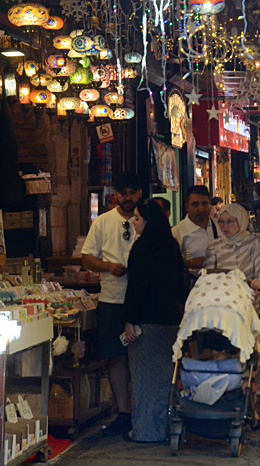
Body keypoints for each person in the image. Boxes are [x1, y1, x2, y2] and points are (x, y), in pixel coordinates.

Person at [81, 172, 141, 436]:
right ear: (115, 194)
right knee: (116, 357)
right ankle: (124, 412)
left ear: (139, 193)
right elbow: (87, 258)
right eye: (123, 192)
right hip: (111, 299)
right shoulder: (103, 222)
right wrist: (107, 266)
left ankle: (144, 409)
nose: (127, 198)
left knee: (141, 356)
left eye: (132, 192)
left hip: (142, 301)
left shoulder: (147, 221)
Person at [123, 200, 188, 442]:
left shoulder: (143, 248)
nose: (135, 222)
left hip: (147, 323)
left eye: (138, 218)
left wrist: (129, 320)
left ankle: (146, 431)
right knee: (165, 378)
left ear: (149, 222)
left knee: (144, 379)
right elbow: (182, 284)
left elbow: (137, 288)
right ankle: (168, 429)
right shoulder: (170, 245)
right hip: (170, 321)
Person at [205, 203, 260, 397]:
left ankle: (259, 397)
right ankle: (226, 394)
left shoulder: (255, 243)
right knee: (222, 352)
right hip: (222, 309)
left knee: (258, 352)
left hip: (250, 307)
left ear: (240, 221)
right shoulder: (214, 246)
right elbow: (207, 275)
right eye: (221, 222)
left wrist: (259, 282)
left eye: (230, 222)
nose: (225, 226)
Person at [172, 185, 219, 278]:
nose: (200, 209)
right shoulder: (177, 232)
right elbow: (171, 264)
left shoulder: (220, 226)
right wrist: (192, 263)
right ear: (187, 207)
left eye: (204, 204)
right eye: (195, 204)